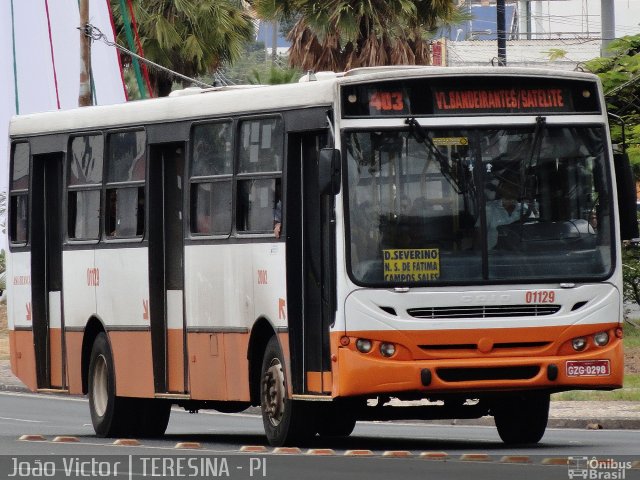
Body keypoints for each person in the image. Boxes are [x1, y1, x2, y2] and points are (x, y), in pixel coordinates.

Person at [485, 178, 522, 249]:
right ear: (501, 188)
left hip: (522, 256)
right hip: (491, 257)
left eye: (515, 187)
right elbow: (479, 236)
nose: (511, 190)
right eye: (508, 186)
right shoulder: (488, 208)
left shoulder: (525, 210)